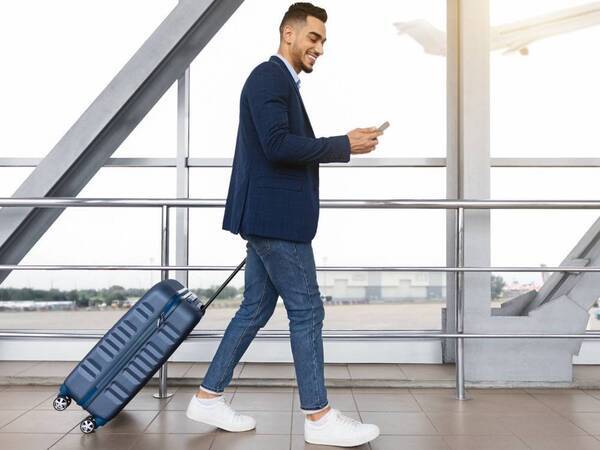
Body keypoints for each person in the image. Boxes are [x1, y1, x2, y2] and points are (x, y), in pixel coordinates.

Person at [186, 2, 382, 447]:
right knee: (308, 311)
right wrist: (342, 144)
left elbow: (280, 143)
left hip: (268, 218)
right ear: (288, 34)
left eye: (324, 42)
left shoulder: (281, 83)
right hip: (276, 222)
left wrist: (343, 142)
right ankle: (318, 418)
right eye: (313, 38)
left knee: (255, 309)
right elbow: (276, 145)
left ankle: (208, 396)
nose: (320, 48)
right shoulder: (268, 77)